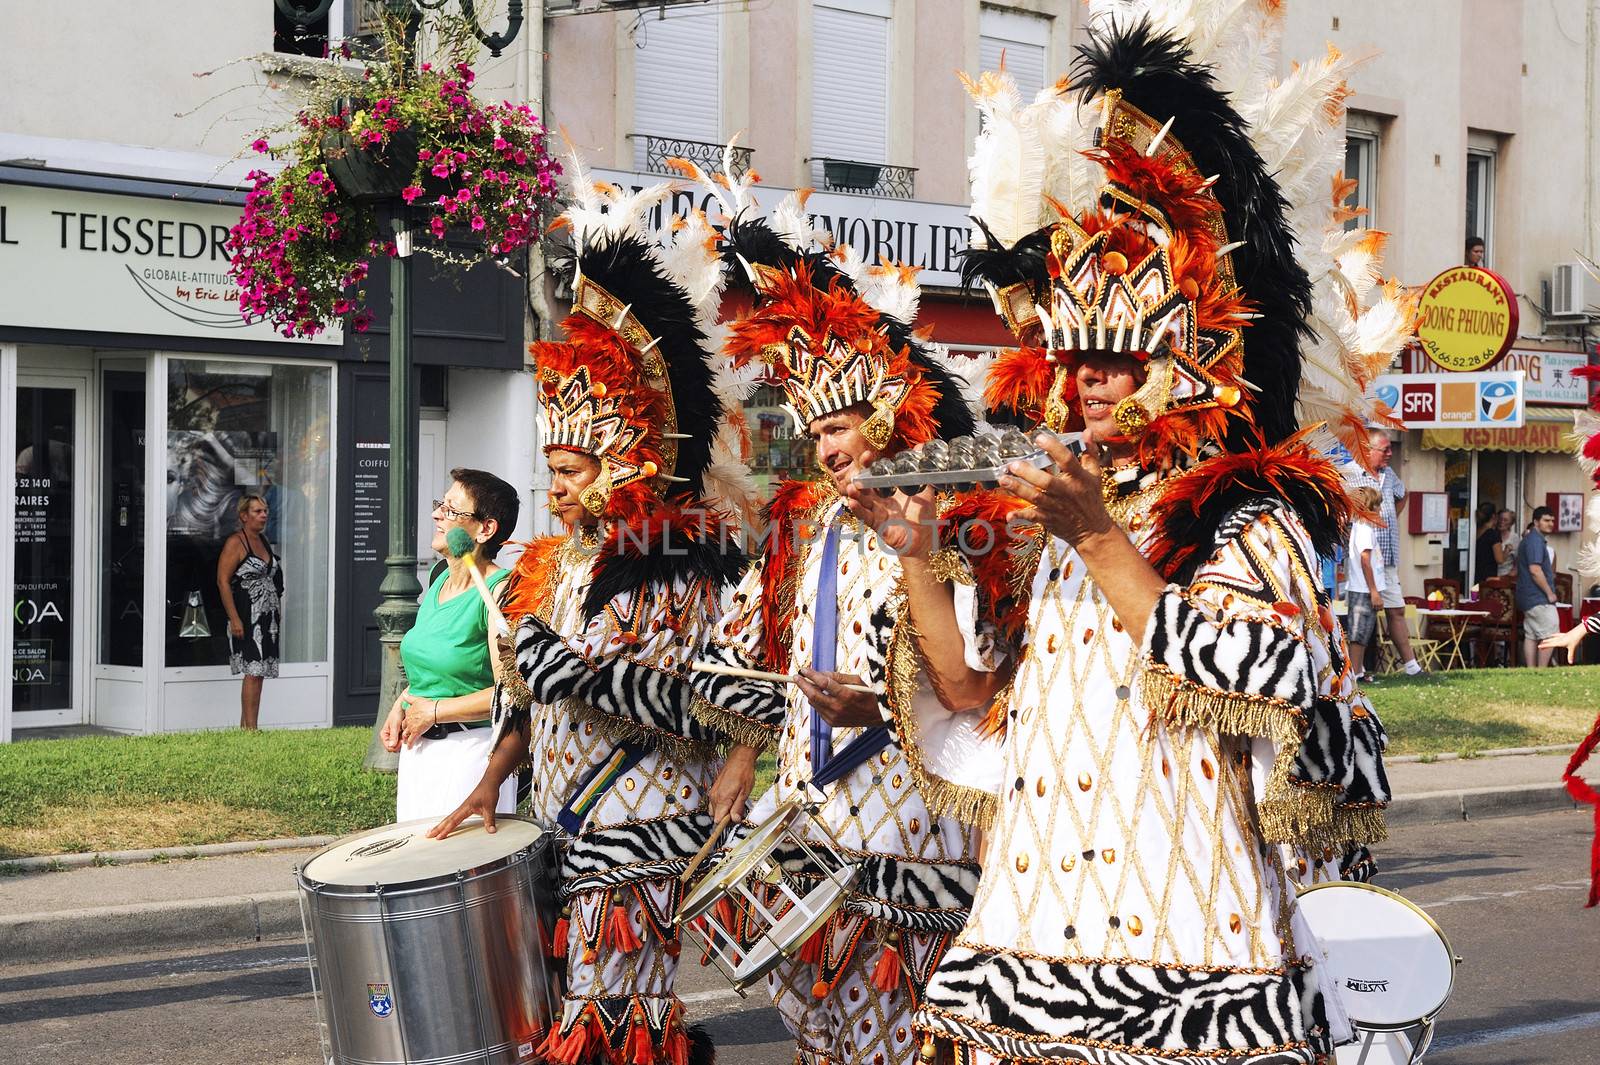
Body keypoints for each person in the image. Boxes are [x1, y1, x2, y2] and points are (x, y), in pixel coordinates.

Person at [882, 14, 1399, 1063]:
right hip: (1027, 940)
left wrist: (1100, 541)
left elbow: (1278, 674)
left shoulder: (1248, 507)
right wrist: (913, 552)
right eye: (1075, 359)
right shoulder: (1049, 511)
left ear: (1197, 350)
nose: (1092, 382)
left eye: (1119, 357)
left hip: (1187, 949)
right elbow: (975, 702)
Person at [428, 176, 755, 1065]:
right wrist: (491, 779)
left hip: (642, 825)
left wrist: (564, 665)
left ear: (620, 465)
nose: (554, 488)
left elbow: (694, 703)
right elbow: (529, 700)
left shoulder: (676, 562)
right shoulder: (550, 561)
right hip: (566, 822)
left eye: (570, 471)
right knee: (573, 1017)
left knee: (623, 1023)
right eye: (552, 469)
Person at [687, 189, 990, 1065]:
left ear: (888, 413)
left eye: (842, 425)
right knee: (819, 1031)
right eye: (815, 429)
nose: (826, 447)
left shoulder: (957, 517)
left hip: (909, 807)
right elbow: (758, 648)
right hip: (812, 814)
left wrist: (882, 706)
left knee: (899, 1028)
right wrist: (745, 750)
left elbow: (977, 672)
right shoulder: (803, 520)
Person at [379, 468, 520, 821]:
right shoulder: (438, 577)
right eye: (440, 504)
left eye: (451, 509)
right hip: (420, 754)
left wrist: (436, 711)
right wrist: (401, 706)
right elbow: (439, 669)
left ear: (485, 529)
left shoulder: (499, 592)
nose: (436, 514)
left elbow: (511, 693)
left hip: (471, 755)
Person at [217, 493, 282, 729]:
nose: (264, 515)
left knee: (260, 671)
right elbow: (223, 581)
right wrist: (234, 618)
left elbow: (276, 580)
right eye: (257, 511)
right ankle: (251, 730)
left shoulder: (263, 540)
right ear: (244, 516)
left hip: (268, 617)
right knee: (252, 670)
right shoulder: (236, 542)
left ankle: (247, 726)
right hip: (247, 615)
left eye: (265, 511)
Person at [1368, 428, 1425, 674]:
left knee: (1396, 609)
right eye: (1385, 449)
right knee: (1362, 614)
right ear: (1368, 449)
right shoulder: (1350, 475)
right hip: (1366, 557)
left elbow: (1403, 495)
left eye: (1391, 448)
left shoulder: (1389, 474)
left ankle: (1411, 666)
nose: (1391, 453)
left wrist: (1390, 519)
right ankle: (1357, 670)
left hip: (1388, 559)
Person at [1346, 485, 1387, 681]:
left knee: (1364, 633)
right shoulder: (1363, 528)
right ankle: (1354, 673)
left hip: (1365, 589)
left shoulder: (1363, 527)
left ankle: (1359, 671)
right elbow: (1365, 559)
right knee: (1358, 633)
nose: (1380, 510)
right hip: (1363, 589)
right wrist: (1374, 591)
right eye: (1377, 505)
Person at [1516, 505, 1560, 666]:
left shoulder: (1530, 540)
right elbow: (1535, 570)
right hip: (1538, 597)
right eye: (1546, 520)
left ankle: (1531, 672)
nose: (1550, 524)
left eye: (1552, 521)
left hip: (1527, 597)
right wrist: (1549, 593)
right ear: (1536, 522)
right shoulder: (1535, 541)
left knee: (1532, 634)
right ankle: (1541, 671)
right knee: (1551, 633)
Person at [1472, 500, 1500, 586]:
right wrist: (1506, 550)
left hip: (1474, 573)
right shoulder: (1493, 534)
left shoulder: (1475, 531)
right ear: (1493, 516)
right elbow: (1500, 559)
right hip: (1488, 577)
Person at [1495, 507, 1521, 578]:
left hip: (1506, 575)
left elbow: (1519, 559)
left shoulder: (1514, 538)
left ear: (1511, 523)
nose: (1502, 522)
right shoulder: (1491, 534)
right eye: (1500, 519)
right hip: (1490, 574)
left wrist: (1513, 572)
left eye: (1505, 520)